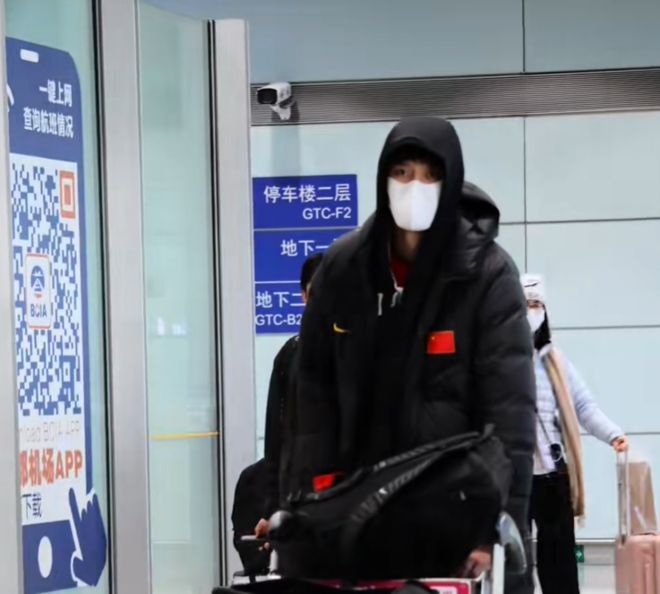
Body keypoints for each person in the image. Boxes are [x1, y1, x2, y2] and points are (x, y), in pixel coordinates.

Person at [288, 116, 537, 593]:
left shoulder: (486, 274)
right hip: (358, 514)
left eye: (429, 175)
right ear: (382, 178)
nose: (414, 187)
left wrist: (494, 526)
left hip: (452, 516)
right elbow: (311, 400)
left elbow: (510, 416)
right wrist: (304, 502)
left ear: (450, 180)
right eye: (401, 173)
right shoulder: (344, 267)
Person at [522, 274, 628, 594]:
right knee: (515, 563)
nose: (531, 311)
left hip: (552, 475)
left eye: (537, 304)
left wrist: (613, 434)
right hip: (513, 476)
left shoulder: (556, 361)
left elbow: (584, 406)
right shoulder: (497, 359)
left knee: (560, 563)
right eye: (525, 305)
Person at [254, 253, 324, 538]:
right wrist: (271, 509)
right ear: (304, 296)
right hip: (299, 498)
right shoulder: (290, 356)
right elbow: (275, 439)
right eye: (316, 292)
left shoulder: (362, 352)